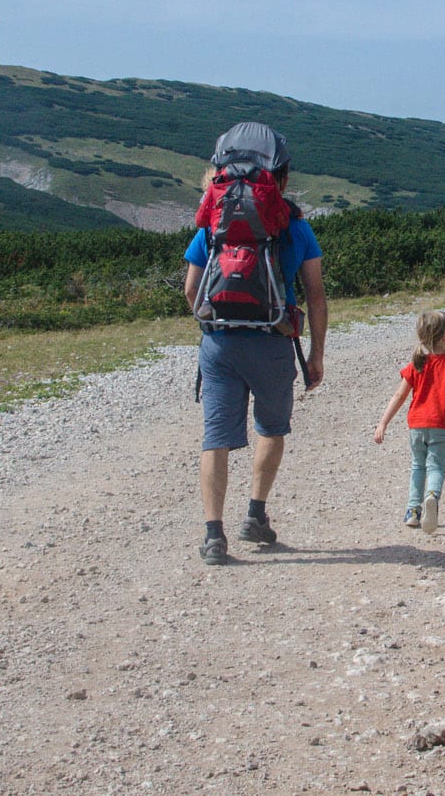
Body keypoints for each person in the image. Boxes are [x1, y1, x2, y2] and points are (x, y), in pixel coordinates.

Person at [183, 122, 327, 566]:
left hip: (220, 343)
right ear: (280, 176)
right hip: (273, 340)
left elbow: (191, 291)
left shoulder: (214, 223)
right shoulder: (295, 228)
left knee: (216, 438)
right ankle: (255, 515)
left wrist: (216, 323)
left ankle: (213, 535)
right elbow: (316, 296)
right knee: (271, 427)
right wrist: (316, 355)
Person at [372, 310, 445, 535]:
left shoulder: (416, 364)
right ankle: (432, 496)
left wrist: (383, 423)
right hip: (442, 426)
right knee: (436, 467)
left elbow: (398, 396)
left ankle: (413, 511)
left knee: (418, 466)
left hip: (417, 426)